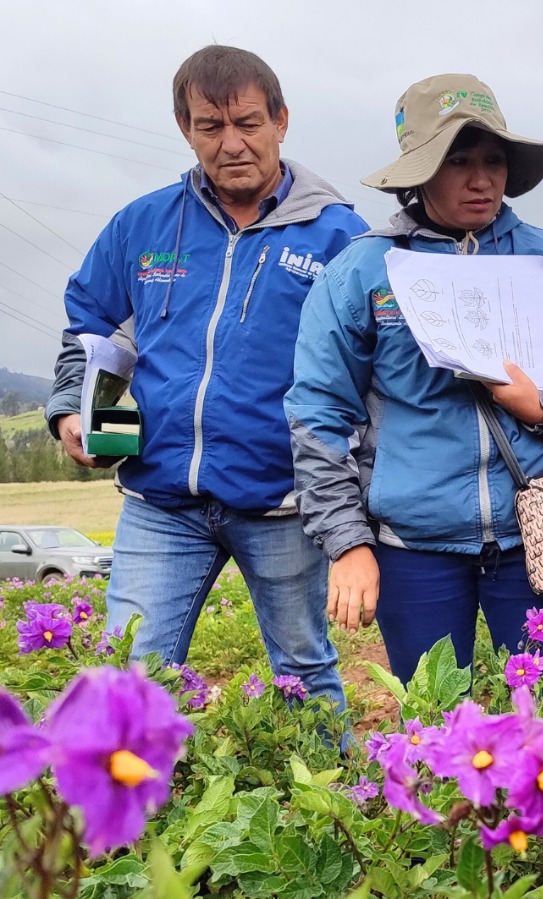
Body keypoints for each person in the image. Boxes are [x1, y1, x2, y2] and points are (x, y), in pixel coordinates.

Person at [285, 75, 543, 684]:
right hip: (413, 548)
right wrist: (348, 541)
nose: (481, 180)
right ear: (419, 171)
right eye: (457, 162)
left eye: (492, 161)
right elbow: (318, 412)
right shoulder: (362, 272)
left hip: (539, 535)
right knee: (433, 731)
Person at [46, 46, 363, 707]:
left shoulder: (339, 238)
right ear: (185, 128)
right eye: (210, 126)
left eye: (248, 122)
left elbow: (367, 371)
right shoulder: (143, 225)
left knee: (303, 671)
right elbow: (91, 324)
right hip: (161, 500)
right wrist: (73, 408)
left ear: (281, 120)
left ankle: (333, 802)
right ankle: (136, 808)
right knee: (129, 675)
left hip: (284, 501)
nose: (232, 143)